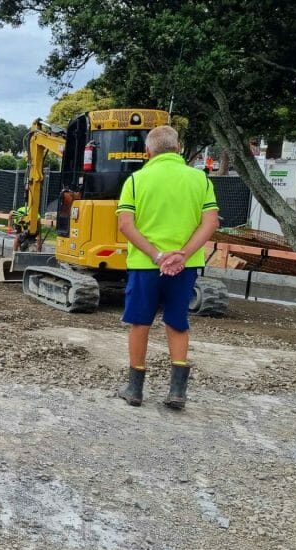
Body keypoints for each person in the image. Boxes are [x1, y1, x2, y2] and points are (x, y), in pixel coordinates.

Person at [115, 125, 219, 410]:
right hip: (184, 267)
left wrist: (158, 255)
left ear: (147, 151)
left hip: (145, 265)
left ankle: (134, 390)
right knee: (177, 322)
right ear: (178, 147)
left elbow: (125, 224)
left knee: (140, 322)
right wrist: (182, 255)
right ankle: (177, 392)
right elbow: (210, 222)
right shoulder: (200, 180)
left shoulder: (136, 180)